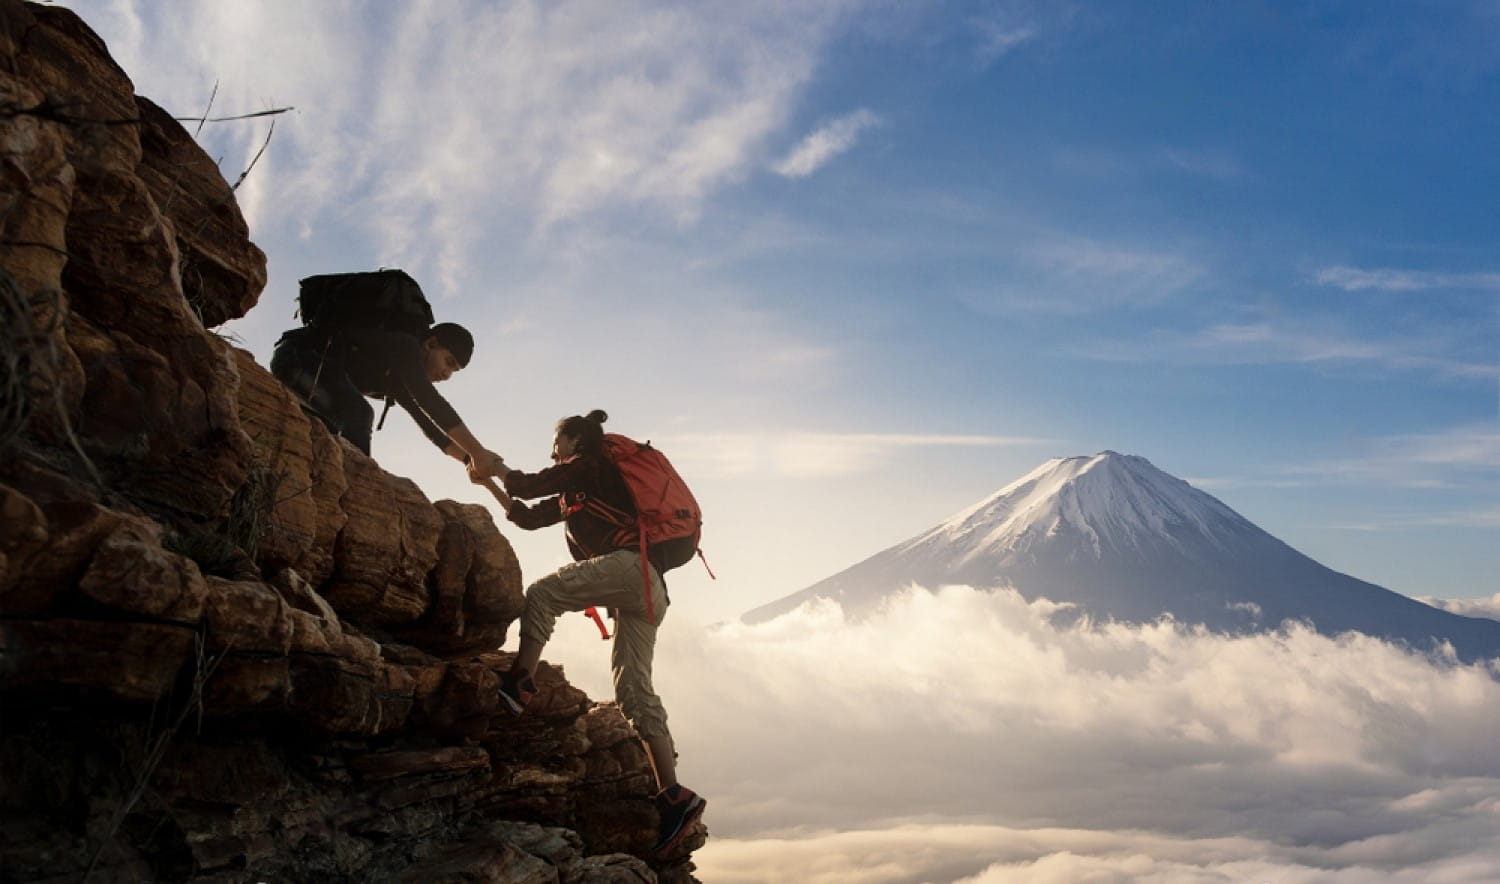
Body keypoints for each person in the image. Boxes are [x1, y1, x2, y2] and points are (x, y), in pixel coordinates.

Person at [488, 409, 706, 854]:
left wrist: (500, 469)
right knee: (634, 692)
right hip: (650, 590)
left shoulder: (592, 465)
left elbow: (529, 485)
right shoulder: (579, 489)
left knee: (543, 593)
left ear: (575, 441)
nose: (553, 451)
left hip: (630, 571)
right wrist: (490, 485)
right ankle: (674, 797)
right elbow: (529, 516)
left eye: (557, 443)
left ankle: (519, 682)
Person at [270, 321, 504, 475]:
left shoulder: (397, 378)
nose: (447, 374)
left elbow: (429, 427)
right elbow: (430, 401)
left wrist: (468, 460)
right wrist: (478, 452)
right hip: (296, 357)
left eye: (454, 371)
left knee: (333, 429)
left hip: (315, 377)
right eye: (449, 362)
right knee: (360, 414)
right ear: (431, 343)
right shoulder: (405, 346)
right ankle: (358, 488)